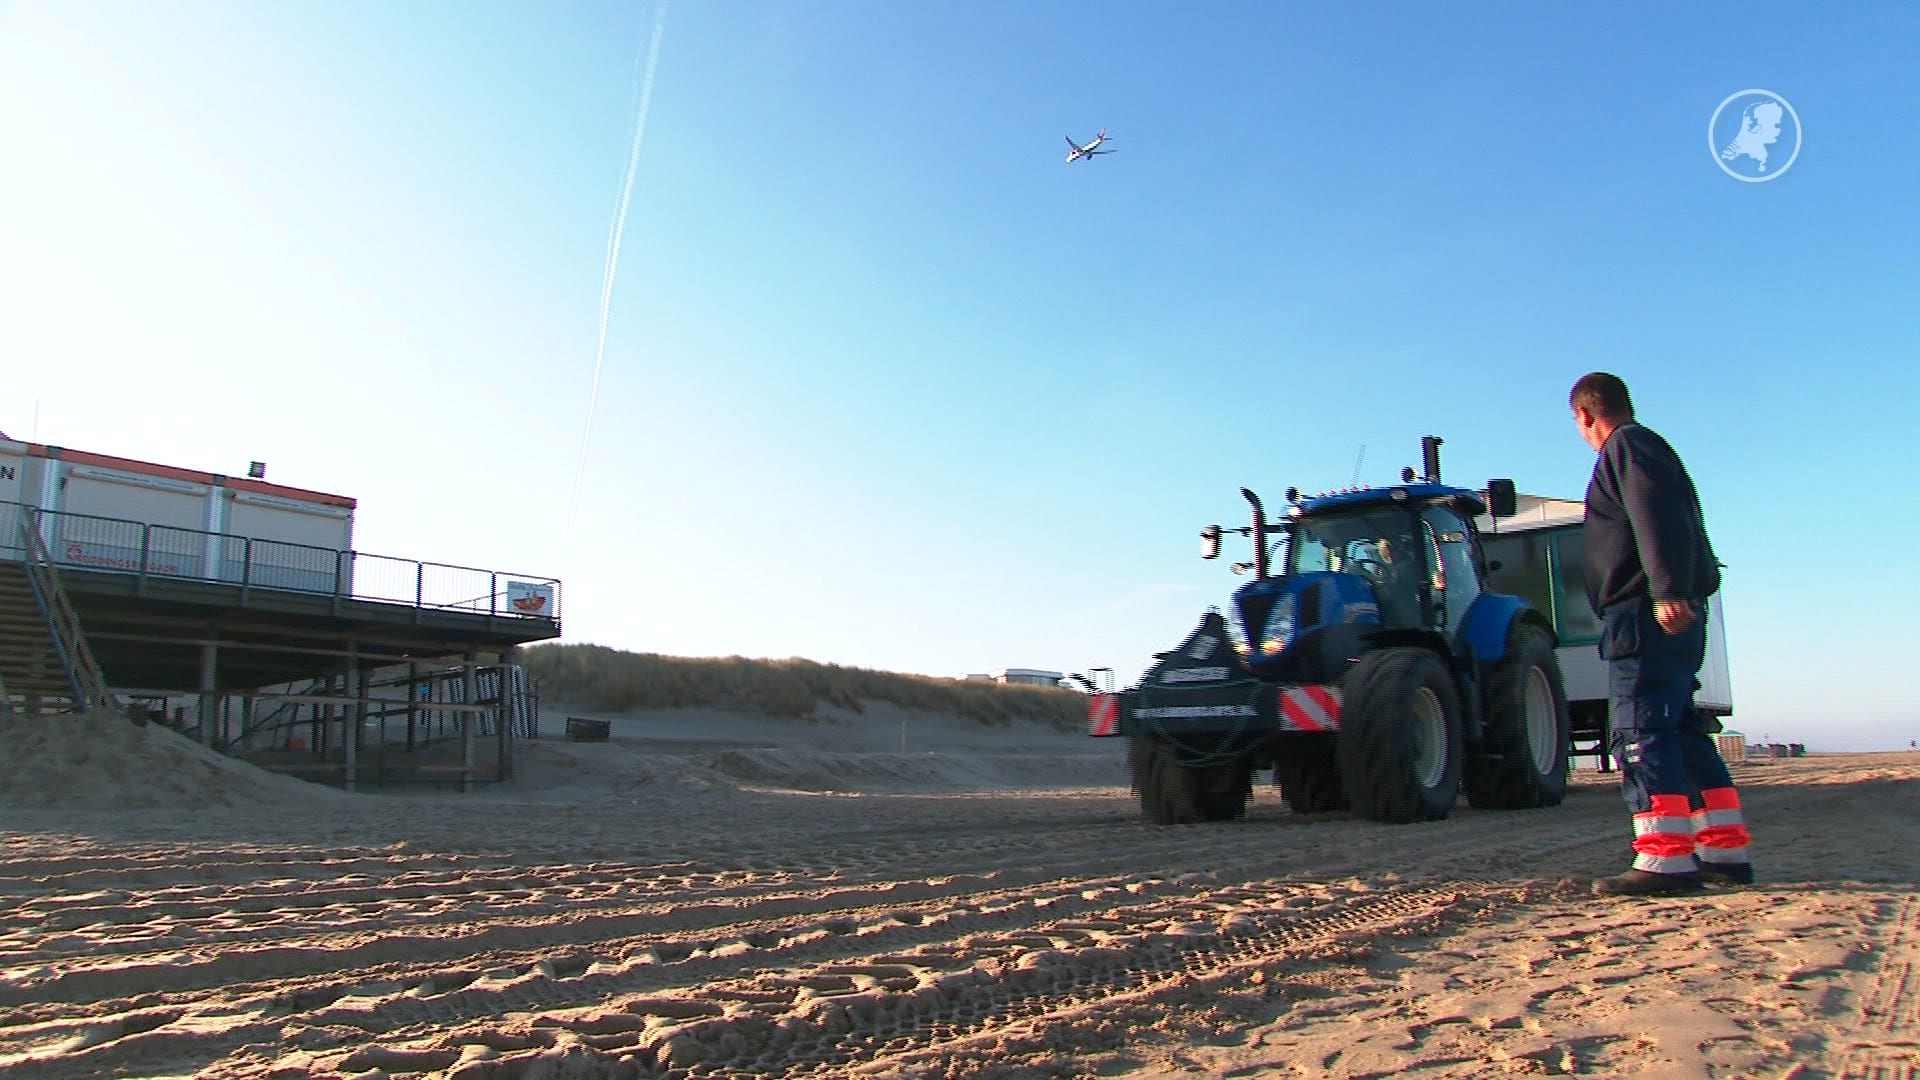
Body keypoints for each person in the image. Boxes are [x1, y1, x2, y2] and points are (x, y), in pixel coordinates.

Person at [1571, 372, 1752, 896]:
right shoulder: (1647, 447)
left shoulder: (1626, 448)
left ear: (1584, 415)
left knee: (1642, 728)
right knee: (1681, 728)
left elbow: (1656, 515)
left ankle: (1664, 859)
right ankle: (1725, 849)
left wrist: (1667, 591)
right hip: (1658, 609)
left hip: (1643, 614)